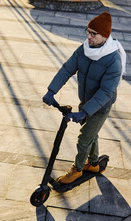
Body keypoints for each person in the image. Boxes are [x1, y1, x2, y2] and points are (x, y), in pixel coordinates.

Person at [42, 12, 126, 184]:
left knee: (84, 138)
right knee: (91, 134)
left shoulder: (113, 60)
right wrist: (52, 90)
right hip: (86, 101)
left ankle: (77, 169)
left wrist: (85, 112)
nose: (89, 36)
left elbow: (106, 92)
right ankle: (93, 163)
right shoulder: (83, 50)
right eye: (87, 32)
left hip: (101, 106)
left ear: (105, 36)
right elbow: (67, 69)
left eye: (93, 34)